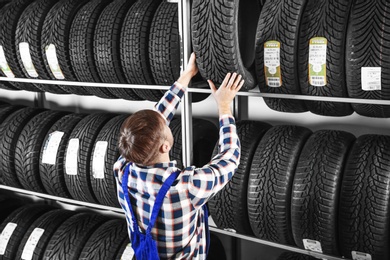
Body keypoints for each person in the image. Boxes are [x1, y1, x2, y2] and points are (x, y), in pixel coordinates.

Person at [114, 53, 243, 259]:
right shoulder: (186, 187)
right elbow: (229, 158)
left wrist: (186, 77)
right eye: (166, 127)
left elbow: (155, 122)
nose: (167, 123)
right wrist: (224, 106)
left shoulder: (122, 170)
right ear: (165, 146)